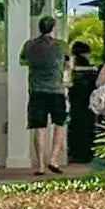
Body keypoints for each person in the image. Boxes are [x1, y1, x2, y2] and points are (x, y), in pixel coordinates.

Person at [20, 16, 69, 173]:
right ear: (53, 28)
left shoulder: (30, 45)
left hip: (37, 90)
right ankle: (53, 159)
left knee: (39, 127)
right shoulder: (61, 45)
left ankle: (41, 164)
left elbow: (22, 61)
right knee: (59, 125)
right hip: (56, 90)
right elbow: (68, 65)